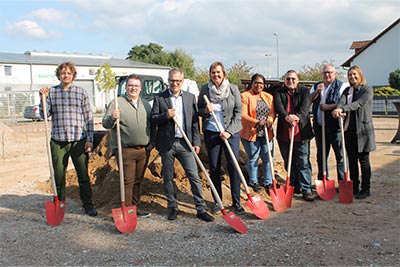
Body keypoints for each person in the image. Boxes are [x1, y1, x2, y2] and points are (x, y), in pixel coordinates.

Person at [151, 68, 214, 222]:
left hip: (186, 144)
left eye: (178, 81)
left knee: (194, 176)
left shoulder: (190, 98)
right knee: (168, 177)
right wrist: (165, 115)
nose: (175, 83)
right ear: (168, 81)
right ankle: (172, 206)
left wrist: (196, 142)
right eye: (172, 80)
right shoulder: (160, 98)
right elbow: (153, 119)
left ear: (182, 82)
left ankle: (200, 209)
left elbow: (194, 122)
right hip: (167, 144)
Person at [39, 62, 97, 216]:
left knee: (83, 175)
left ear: (73, 75)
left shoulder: (81, 92)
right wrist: (42, 99)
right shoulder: (51, 92)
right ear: (59, 75)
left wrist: (90, 139)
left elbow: (88, 117)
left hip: (78, 139)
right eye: (63, 73)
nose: (66, 75)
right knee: (58, 175)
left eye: (69, 73)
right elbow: (44, 115)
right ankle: (59, 204)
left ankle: (88, 204)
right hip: (58, 140)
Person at [102, 74, 152, 217]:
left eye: (136, 86)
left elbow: (151, 125)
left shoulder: (146, 104)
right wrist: (112, 117)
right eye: (130, 85)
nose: (133, 88)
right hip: (125, 150)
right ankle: (127, 210)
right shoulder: (117, 103)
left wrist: (151, 143)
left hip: (143, 150)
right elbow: (106, 124)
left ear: (140, 88)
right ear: (126, 87)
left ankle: (134, 208)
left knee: (138, 181)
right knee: (127, 181)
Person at [198, 61, 244, 215]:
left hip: (230, 134)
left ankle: (236, 202)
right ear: (210, 75)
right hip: (212, 133)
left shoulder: (233, 89)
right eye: (213, 73)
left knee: (234, 166)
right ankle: (218, 202)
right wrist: (205, 109)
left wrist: (229, 131)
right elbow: (199, 110)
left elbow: (238, 113)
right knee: (215, 168)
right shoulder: (205, 89)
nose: (216, 75)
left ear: (224, 73)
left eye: (218, 72)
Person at [332, 65, 376, 199]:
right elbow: (341, 102)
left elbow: (358, 104)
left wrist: (343, 109)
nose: (352, 77)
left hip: (363, 130)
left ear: (360, 75)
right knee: (351, 160)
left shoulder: (367, 89)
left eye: (355, 74)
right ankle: (355, 187)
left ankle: (366, 188)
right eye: (350, 75)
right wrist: (338, 108)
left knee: (363, 160)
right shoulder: (347, 90)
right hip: (349, 130)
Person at [274, 70, 315, 201]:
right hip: (284, 133)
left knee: (303, 161)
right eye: (288, 79)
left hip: (301, 132)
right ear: (284, 81)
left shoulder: (304, 91)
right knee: (289, 161)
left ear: (297, 80)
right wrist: (287, 117)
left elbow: (305, 107)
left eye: (293, 79)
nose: (290, 81)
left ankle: (306, 188)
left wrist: (296, 117)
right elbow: (279, 107)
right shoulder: (279, 92)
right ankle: (294, 184)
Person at [310, 64, 348, 183]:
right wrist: (317, 91)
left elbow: (344, 103)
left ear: (335, 74)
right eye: (325, 72)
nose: (327, 75)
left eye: (330, 72)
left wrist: (328, 107)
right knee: (321, 155)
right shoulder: (317, 86)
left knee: (340, 156)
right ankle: (323, 179)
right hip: (320, 127)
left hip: (335, 127)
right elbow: (307, 100)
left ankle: (342, 181)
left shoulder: (342, 86)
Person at [240, 73, 275, 193]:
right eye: (256, 82)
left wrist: (270, 120)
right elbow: (243, 115)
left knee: (268, 157)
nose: (258, 85)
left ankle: (268, 182)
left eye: (261, 83)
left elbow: (272, 112)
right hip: (251, 132)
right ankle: (253, 181)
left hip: (267, 133)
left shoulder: (268, 97)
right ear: (252, 83)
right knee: (253, 158)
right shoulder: (245, 96)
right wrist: (257, 122)